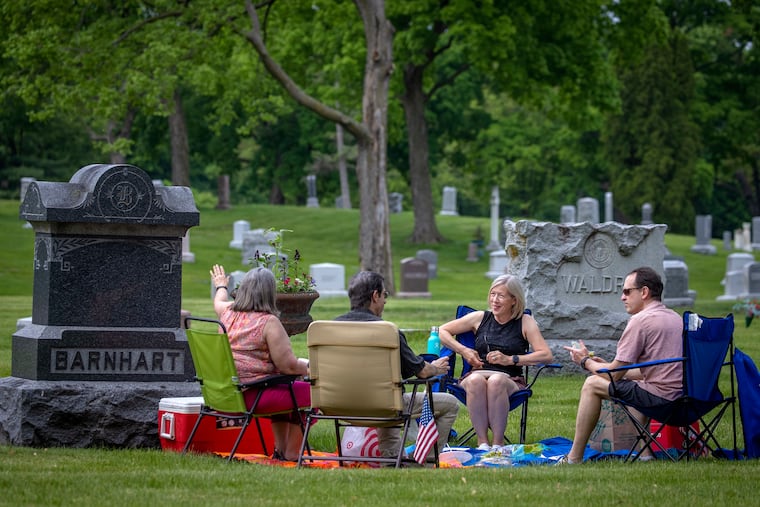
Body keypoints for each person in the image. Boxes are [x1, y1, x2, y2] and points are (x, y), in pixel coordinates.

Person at [560, 266, 683, 464]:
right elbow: (653, 371)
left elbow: (614, 376)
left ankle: (573, 457)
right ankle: (645, 455)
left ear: (644, 292)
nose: (622, 297)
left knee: (592, 384)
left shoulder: (640, 321)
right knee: (633, 387)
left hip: (662, 401)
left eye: (627, 291)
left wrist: (585, 361)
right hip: (686, 400)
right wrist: (609, 365)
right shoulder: (675, 318)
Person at [335, 271, 459, 461]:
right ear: (375, 295)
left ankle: (390, 458)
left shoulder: (329, 328)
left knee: (387, 398)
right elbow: (422, 371)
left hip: (338, 404)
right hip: (383, 404)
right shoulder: (387, 331)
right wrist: (436, 367)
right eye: (385, 295)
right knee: (450, 404)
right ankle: (426, 462)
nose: (385, 301)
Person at [438, 274, 553, 451]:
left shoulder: (524, 321)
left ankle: (498, 445)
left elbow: (546, 355)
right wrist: (464, 350)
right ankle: (483, 443)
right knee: (477, 381)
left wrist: (511, 359)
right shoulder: (480, 318)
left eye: (501, 296)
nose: (495, 300)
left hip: (509, 379)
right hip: (476, 375)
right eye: (492, 294)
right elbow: (443, 331)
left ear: (514, 300)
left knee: (496, 381)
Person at [210, 264, 310, 462]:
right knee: (315, 391)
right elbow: (288, 366)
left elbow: (218, 301)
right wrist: (313, 367)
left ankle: (280, 452)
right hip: (252, 396)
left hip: (224, 395)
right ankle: (293, 453)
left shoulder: (227, 313)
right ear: (270, 294)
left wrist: (221, 286)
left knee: (287, 388)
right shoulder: (268, 322)